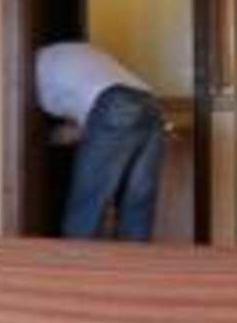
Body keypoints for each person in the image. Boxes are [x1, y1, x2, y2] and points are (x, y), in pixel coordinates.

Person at [35, 41, 165, 241]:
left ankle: (77, 260)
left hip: (114, 102)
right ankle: (135, 259)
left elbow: (88, 126)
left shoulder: (29, 75)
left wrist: (46, 137)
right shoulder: (65, 54)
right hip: (150, 102)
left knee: (89, 204)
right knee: (137, 202)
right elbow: (94, 120)